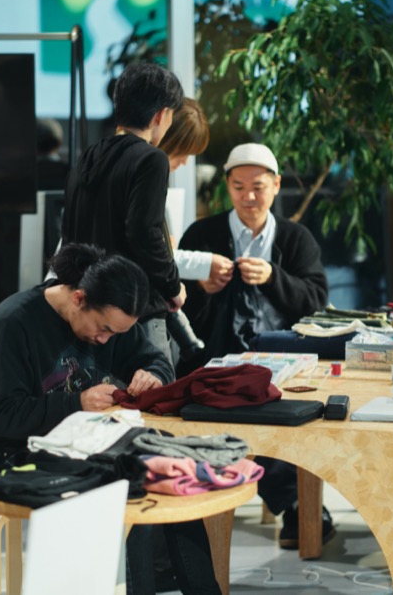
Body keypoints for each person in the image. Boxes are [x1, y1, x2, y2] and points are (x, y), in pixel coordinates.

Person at [0, 242, 220, 594]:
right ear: (78, 299)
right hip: (15, 451)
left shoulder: (113, 319)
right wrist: (77, 403)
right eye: (103, 329)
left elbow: (153, 358)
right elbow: (2, 417)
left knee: (172, 469)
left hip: (86, 439)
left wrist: (153, 373)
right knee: (133, 485)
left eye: (115, 334)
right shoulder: (12, 325)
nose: (105, 341)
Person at [178, 142, 329, 549]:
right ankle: (295, 505)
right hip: (214, 359)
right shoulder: (203, 234)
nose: (248, 197)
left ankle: (299, 505)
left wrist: (274, 277)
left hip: (282, 359)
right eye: (239, 186)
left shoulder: (296, 239)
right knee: (235, 407)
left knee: (278, 407)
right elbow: (175, 309)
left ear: (277, 186)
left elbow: (316, 302)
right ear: (226, 186)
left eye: (258, 187)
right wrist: (202, 287)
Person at [61, 62, 186, 364]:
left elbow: (69, 228)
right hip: (134, 311)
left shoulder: (88, 156)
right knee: (155, 400)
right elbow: (144, 232)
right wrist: (173, 286)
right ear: (161, 115)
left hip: (91, 308)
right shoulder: (151, 159)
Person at [157, 97, 234, 287]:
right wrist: (204, 265)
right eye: (183, 152)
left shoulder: (159, 183)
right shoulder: (143, 181)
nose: (184, 162)